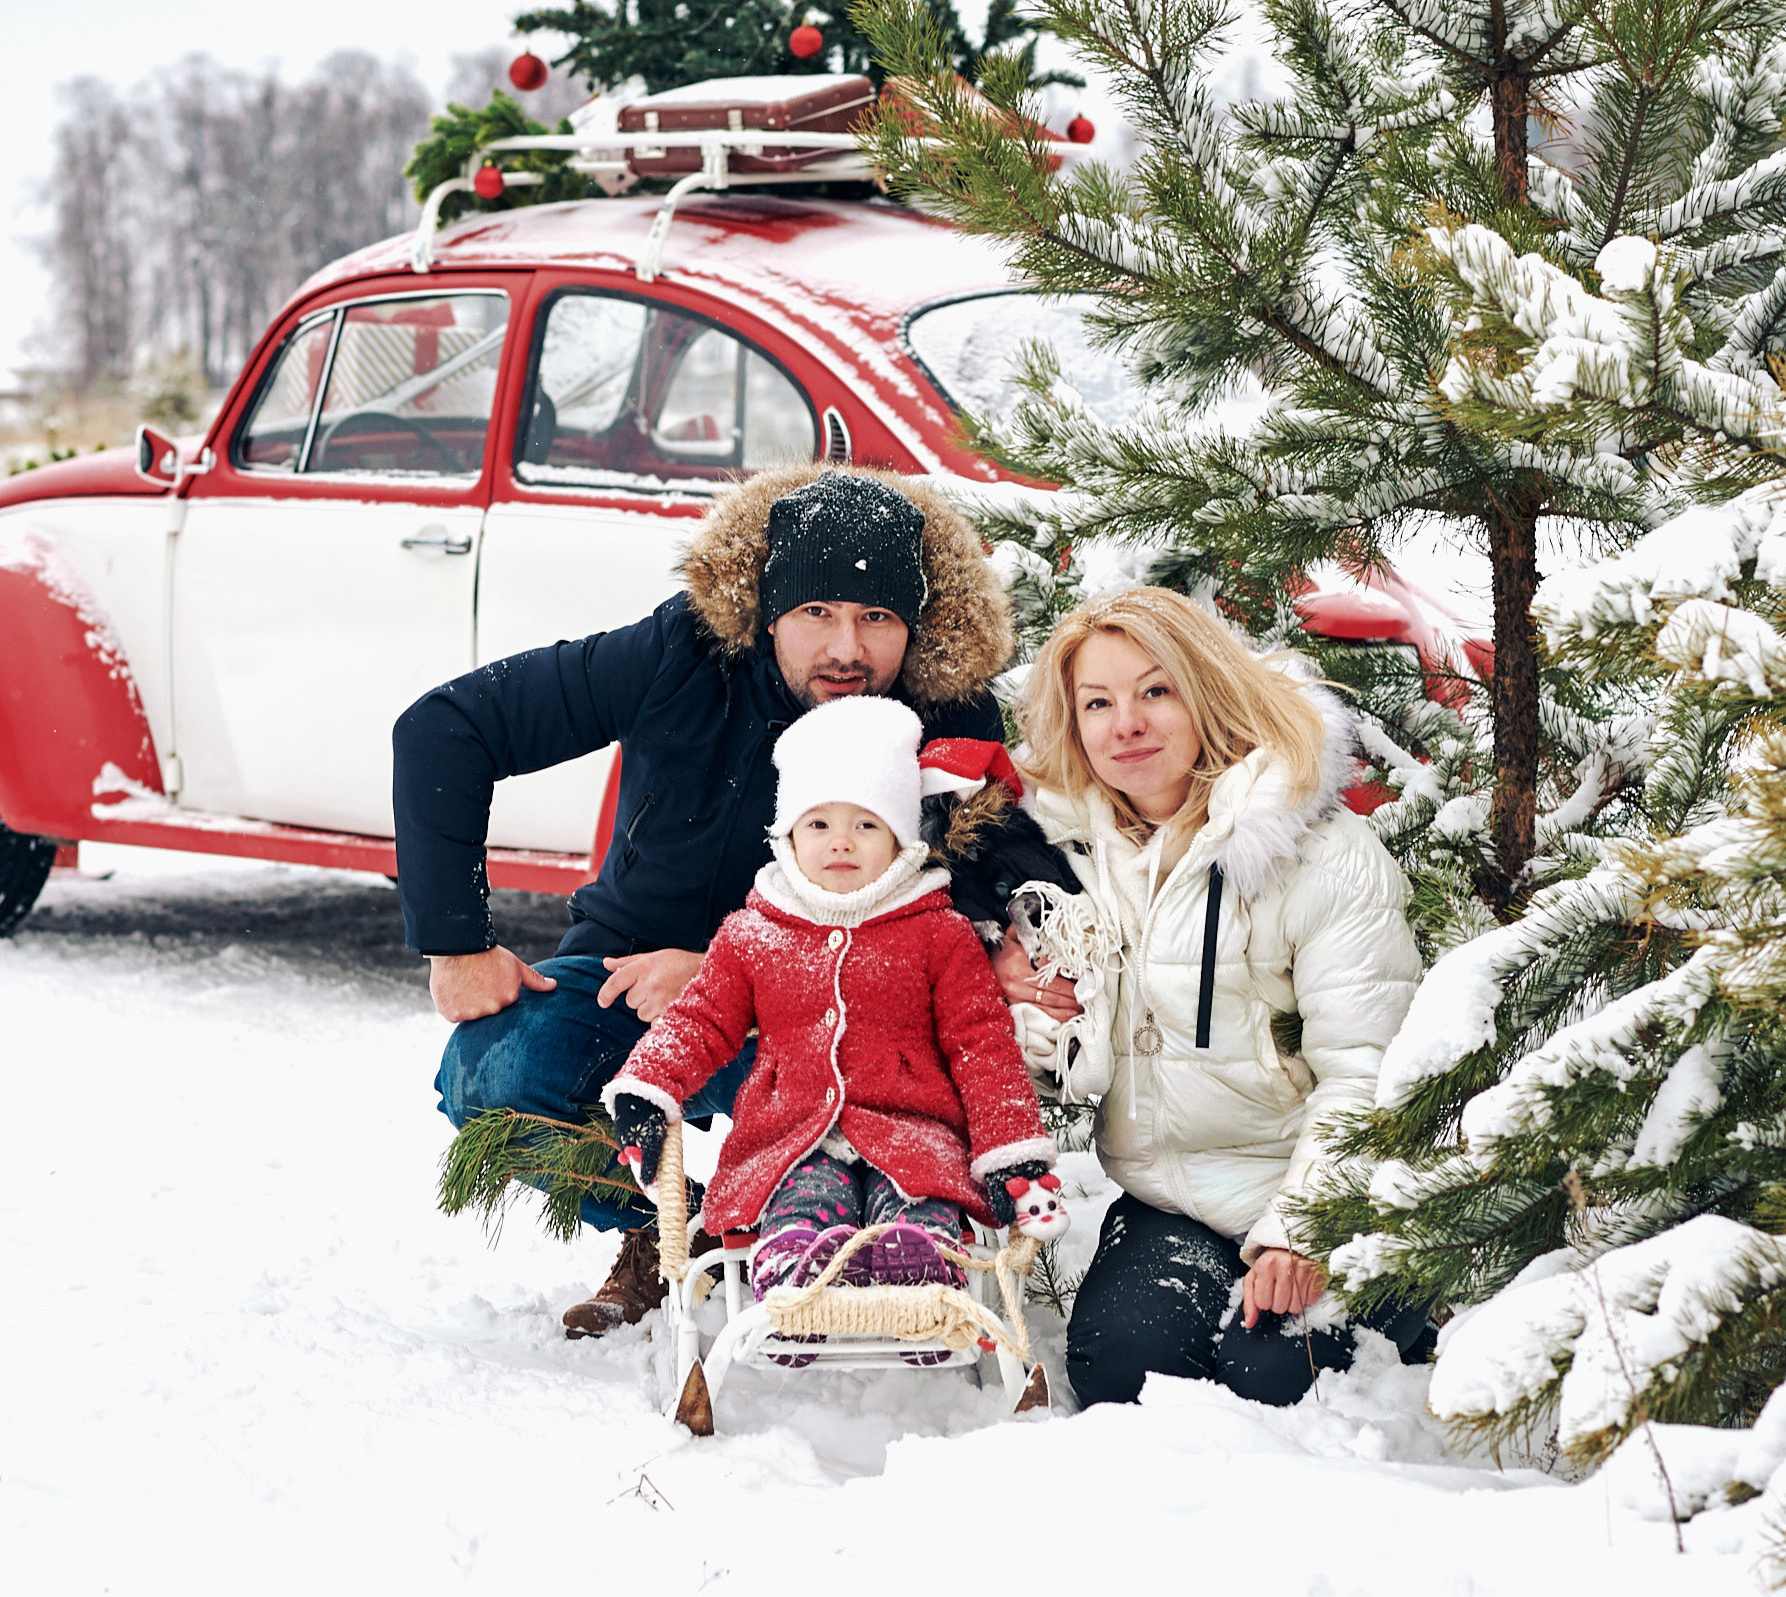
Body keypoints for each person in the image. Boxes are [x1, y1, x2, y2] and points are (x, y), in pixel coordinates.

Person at [392, 465, 1011, 1337]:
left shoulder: (950, 712)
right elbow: (445, 728)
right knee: (490, 1075)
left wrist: (733, 972)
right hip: (636, 975)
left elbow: (972, 908)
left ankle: (837, 1229)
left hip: (845, 1017)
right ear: (766, 613)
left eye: (876, 618)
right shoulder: (681, 652)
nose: (847, 648)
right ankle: (676, 1229)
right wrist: (455, 941)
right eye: (816, 614)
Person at [1001, 586, 1425, 1408]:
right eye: (1098, 702)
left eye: (1155, 691)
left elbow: (1369, 1070)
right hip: (1176, 1196)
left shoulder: (1315, 854)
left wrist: (1306, 1231)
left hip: (1333, 1196)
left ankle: (1405, 1306)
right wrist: (1016, 992)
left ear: (1208, 693)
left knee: (1277, 1379)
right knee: (1121, 1372)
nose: (1126, 724)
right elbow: (1052, 1052)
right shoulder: (1072, 859)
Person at [600, 696, 1056, 1364]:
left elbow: (981, 1044)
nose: (840, 840)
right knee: (804, 1196)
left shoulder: (939, 932)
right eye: (819, 822)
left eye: (866, 823)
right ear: (788, 835)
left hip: (913, 1131)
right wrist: (648, 1083)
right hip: (791, 1134)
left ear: (901, 838)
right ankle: (797, 1285)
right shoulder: (754, 933)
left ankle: (920, 1282)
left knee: (920, 1195)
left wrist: (1012, 1148)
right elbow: (700, 1020)